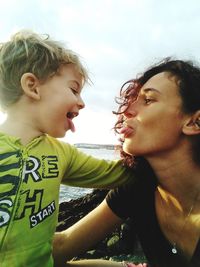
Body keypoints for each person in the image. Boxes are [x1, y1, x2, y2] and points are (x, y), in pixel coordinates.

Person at [0, 30, 133, 267]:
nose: (82, 102)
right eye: (73, 89)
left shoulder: (63, 154)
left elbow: (119, 173)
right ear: (33, 86)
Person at [53, 58, 200, 267]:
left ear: (194, 122)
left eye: (148, 100)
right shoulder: (138, 188)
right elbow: (62, 245)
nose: (127, 110)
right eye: (134, 100)